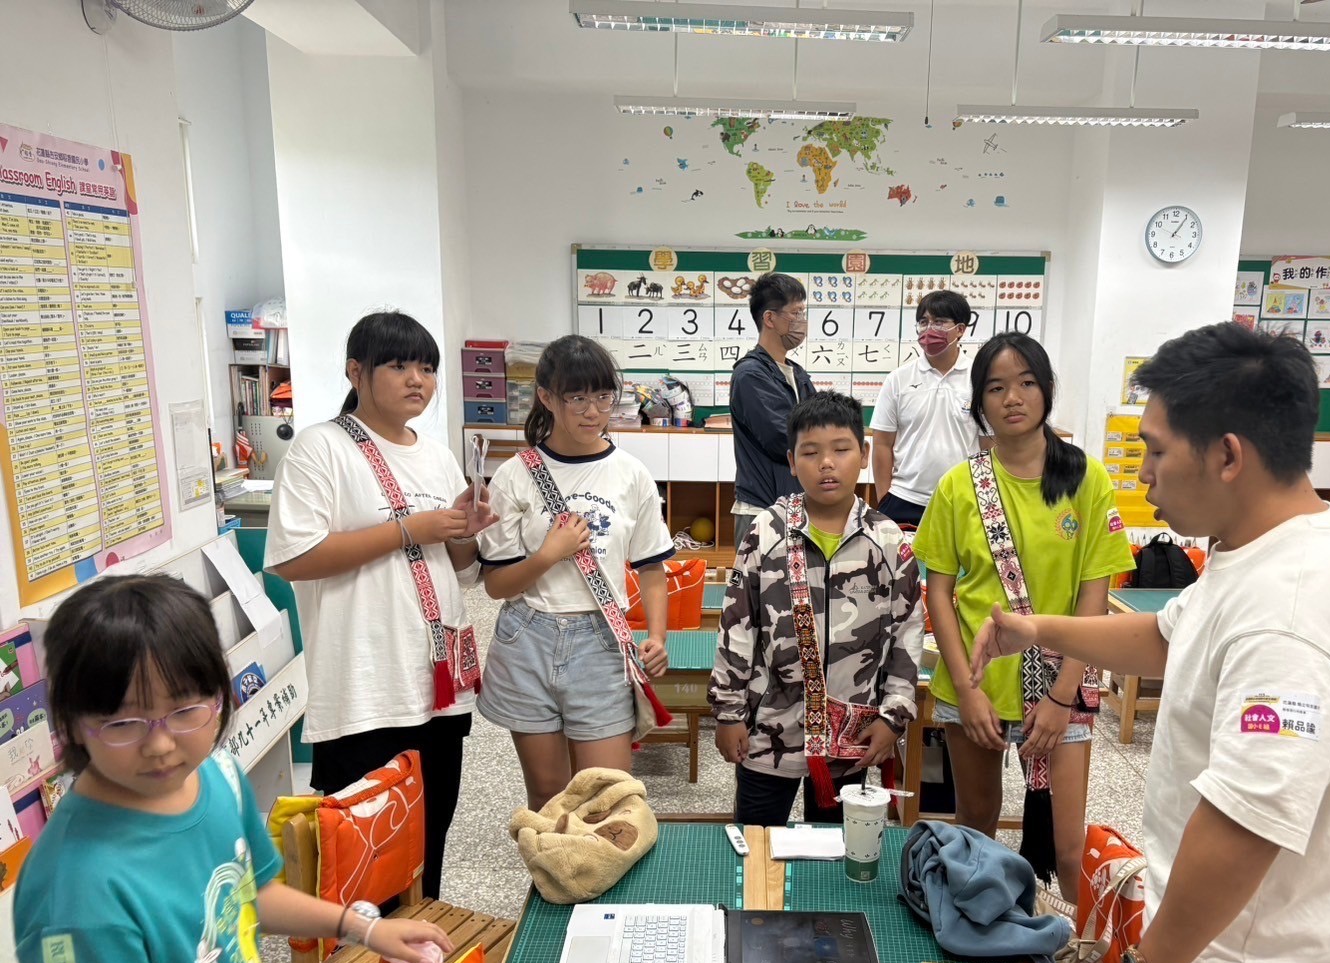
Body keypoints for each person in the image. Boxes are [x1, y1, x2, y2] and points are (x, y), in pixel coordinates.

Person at [969, 322, 1330, 963]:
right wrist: (1037, 630)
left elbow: (1245, 826)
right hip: (1214, 959)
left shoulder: (1291, 613)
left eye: (1156, 451)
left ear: (1227, 455)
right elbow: (1167, 637)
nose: (1143, 473)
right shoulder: (1256, 550)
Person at [15, 575, 453, 963]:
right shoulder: (74, 895)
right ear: (71, 723)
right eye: (123, 722)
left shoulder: (217, 776)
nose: (160, 745)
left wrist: (364, 928)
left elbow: (250, 894)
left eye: (185, 710)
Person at [266, 310, 494, 900]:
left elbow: (460, 570)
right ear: (356, 372)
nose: (417, 379)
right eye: (398, 365)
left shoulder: (437, 456)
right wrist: (408, 529)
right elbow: (294, 558)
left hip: (436, 682)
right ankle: (365, 956)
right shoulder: (321, 449)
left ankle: (420, 946)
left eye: (427, 368)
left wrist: (465, 532)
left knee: (429, 843)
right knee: (368, 860)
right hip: (364, 690)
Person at [911, 333, 1134, 894]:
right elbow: (939, 594)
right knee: (975, 827)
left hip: (1065, 682)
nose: (1012, 398)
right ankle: (974, 927)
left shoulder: (1087, 479)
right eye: (996, 388)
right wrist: (967, 692)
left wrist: (1061, 698)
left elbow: (1093, 597)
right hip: (976, 683)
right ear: (978, 402)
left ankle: (1075, 942)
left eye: (1027, 383)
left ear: (1048, 389)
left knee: (1068, 846)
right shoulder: (959, 486)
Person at [477, 335, 674, 811]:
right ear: (546, 397)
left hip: (601, 639)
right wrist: (548, 555)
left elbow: (651, 567)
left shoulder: (631, 473)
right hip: (528, 638)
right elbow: (497, 585)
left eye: (604, 397)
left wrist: (657, 636)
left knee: (607, 798)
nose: (594, 412)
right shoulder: (515, 475)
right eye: (577, 398)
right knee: (548, 797)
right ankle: (553, 862)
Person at [710, 391, 923, 825]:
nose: (827, 463)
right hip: (770, 730)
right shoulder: (766, 533)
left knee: (836, 849)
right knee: (758, 842)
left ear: (864, 455)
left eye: (841, 450)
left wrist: (893, 717)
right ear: (792, 461)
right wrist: (729, 713)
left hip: (854, 732)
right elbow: (736, 625)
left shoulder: (888, 541)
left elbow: (908, 633)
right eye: (811, 453)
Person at [871, 289, 990, 528]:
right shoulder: (898, 379)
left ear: (960, 329)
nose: (929, 329)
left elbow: (988, 445)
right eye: (923, 322)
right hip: (904, 498)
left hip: (963, 498)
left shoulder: (980, 379)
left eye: (939, 322)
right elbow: (882, 443)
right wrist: (884, 498)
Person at [729, 272, 816, 550]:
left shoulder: (798, 374)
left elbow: (820, 426)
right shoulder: (750, 374)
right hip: (761, 509)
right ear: (770, 318)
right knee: (757, 580)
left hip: (797, 506)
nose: (802, 321)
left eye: (803, 312)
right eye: (796, 312)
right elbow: (781, 438)